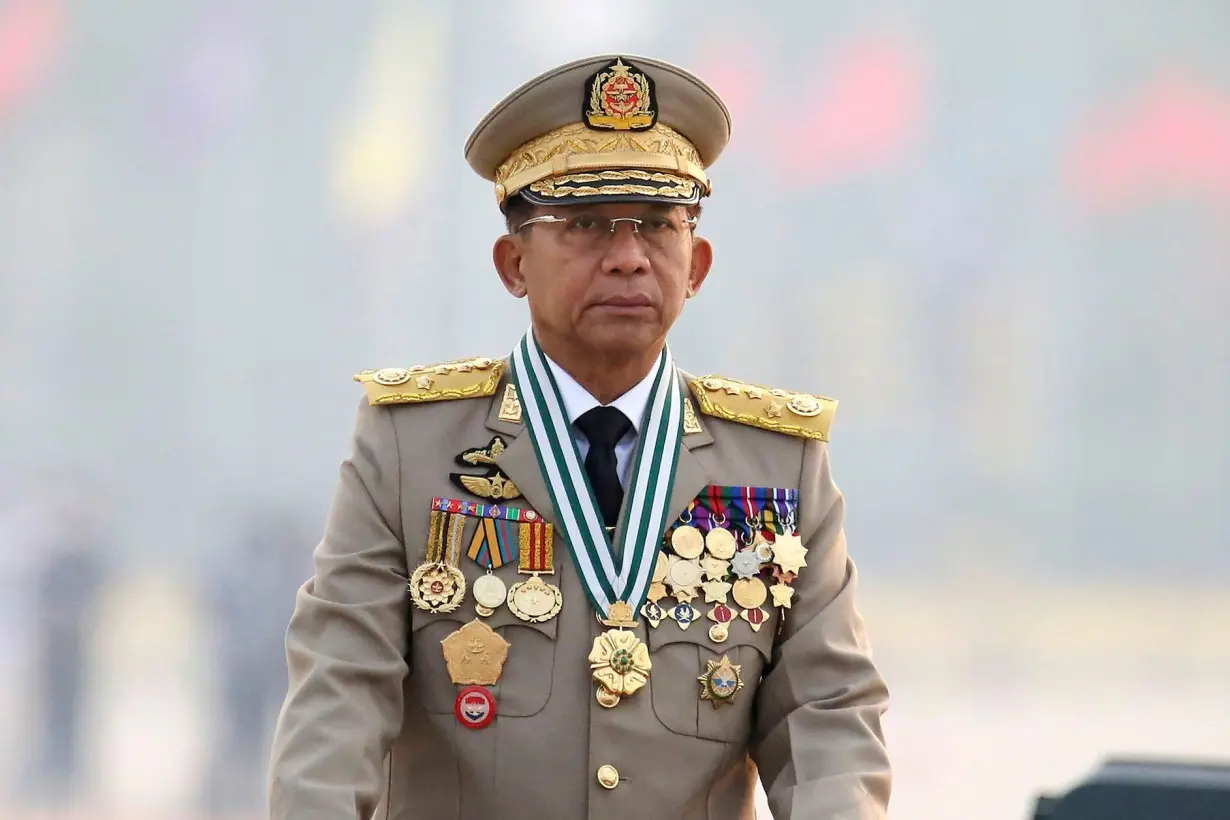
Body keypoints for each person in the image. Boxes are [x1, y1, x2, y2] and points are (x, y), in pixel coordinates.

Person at [268, 53, 891, 820]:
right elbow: (339, 694)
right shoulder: (409, 449)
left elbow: (827, 713)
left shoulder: (778, 462)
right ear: (513, 262)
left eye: (658, 226)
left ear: (695, 265)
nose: (629, 256)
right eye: (588, 225)